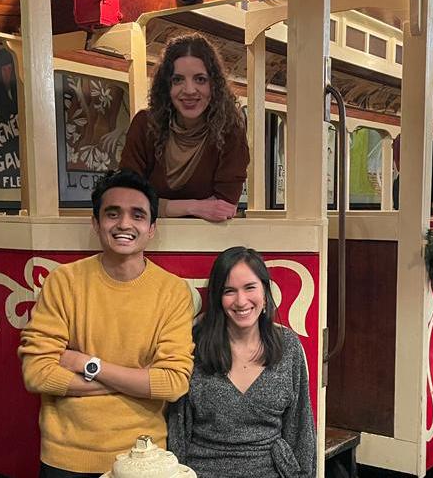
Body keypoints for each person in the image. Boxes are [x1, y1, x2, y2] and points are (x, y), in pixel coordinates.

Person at [18, 169, 194, 478]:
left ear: (151, 229)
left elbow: (172, 383)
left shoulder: (173, 291)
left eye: (137, 215)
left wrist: (87, 364)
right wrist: (135, 383)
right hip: (66, 456)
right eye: (113, 213)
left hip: (144, 459)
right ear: (96, 223)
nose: (124, 224)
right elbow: (37, 374)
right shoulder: (63, 282)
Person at [168, 246, 316, 478]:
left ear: (265, 292)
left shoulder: (288, 345)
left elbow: (301, 428)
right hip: (203, 471)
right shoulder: (194, 344)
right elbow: (178, 429)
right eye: (229, 291)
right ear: (218, 298)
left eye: (250, 287)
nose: (241, 300)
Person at [120, 33, 249, 222]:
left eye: (200, 79)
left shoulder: (230, 130)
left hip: (209, 236)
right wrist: (194, 207)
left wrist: (155, 205)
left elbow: (225, 206)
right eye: (178, 80)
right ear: (166, 86)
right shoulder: (144, 124)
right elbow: (126, 196)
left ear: (214, 85)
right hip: (146, 234)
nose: (189, 90)